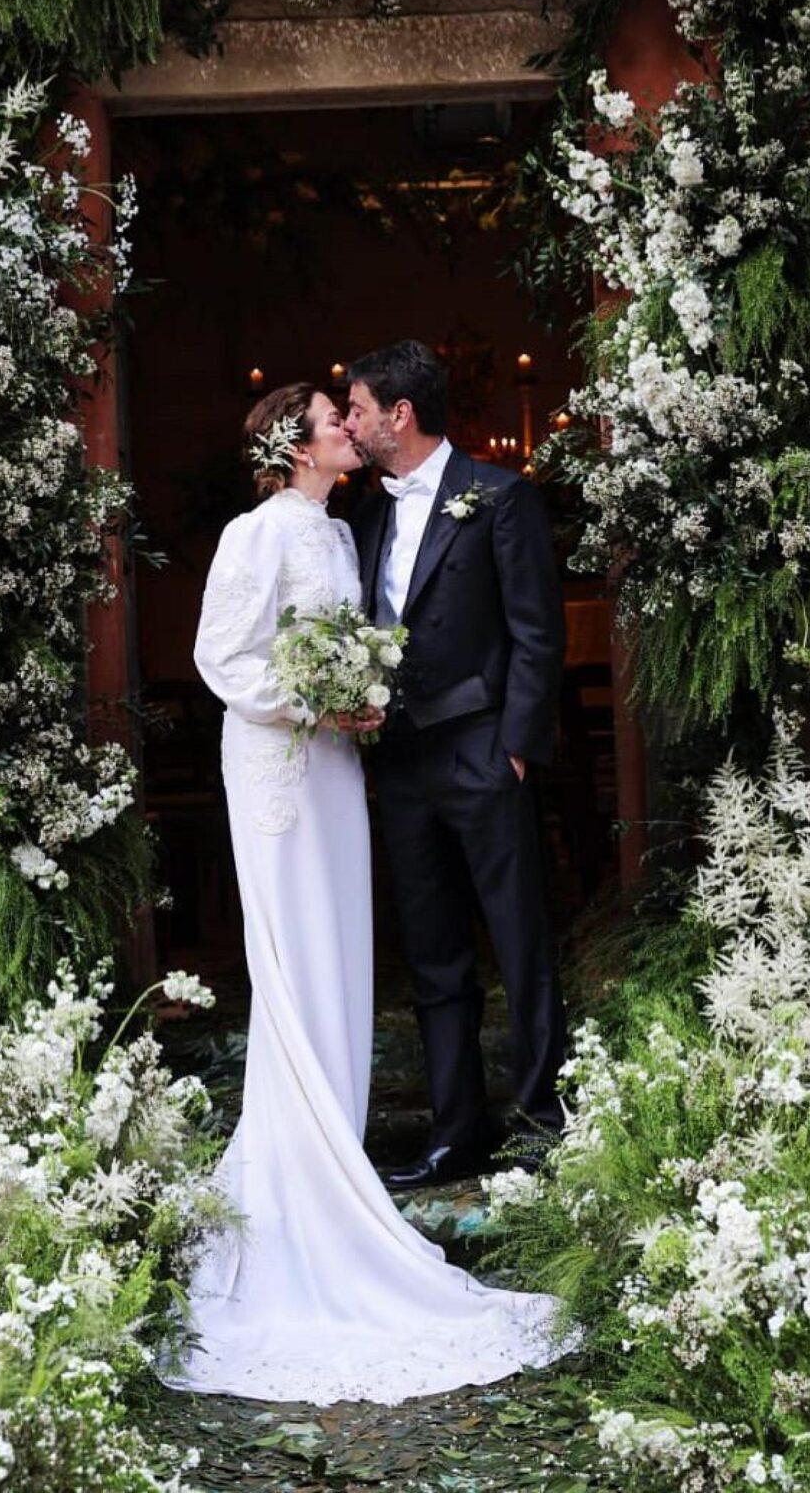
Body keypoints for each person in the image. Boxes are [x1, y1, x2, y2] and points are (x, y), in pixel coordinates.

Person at [158, 380, 574, 1406]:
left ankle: (337, 1134)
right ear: (295, 447)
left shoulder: (343, 534)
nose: (351, 426)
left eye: (352, 411)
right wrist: (315, 701)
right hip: (282, 768)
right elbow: (222, 655)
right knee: (298, 952)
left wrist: (356, 705)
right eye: (333, 419)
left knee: (345, 948)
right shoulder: (257, 533)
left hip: (344, 767)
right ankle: (305, 1163)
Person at [346, 340, 568, 1190]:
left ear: (399, 415)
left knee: (519, 942)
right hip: (399, 765)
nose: (353, 423)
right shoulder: (365, 517)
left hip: (481, 751)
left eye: (359, 409)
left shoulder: (500, 497)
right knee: (433, 953)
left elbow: (534, 632)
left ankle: (545, 1122)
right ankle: (453, 1133)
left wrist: (516, 749)